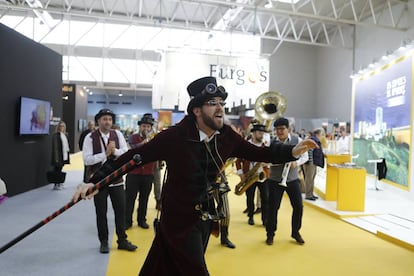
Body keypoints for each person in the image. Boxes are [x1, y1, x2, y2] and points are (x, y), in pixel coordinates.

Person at [73, 76, 317, 275]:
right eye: (213, 103)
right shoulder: (174, 137)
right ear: (197, 110)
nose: (220, 107)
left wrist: (293, 151)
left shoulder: (227, 136)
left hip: (204, 218)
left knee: (160, 267)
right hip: (177, 220)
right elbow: (133, 157)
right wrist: (92, 182)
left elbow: (258, 151)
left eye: (221, 102)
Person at [82, 108, 137, 254]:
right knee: (101, 213)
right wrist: (104, 154)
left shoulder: (117, 134)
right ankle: (104, 242)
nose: (107, 122)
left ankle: (122, 241)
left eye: (110, 119)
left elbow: (125, 153)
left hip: (116, 179)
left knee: (121, 211)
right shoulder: (90, 137)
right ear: (98, 121)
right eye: (104, 119)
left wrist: (114, 152)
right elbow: (87, 160)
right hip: (98, 182)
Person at [265, 117, 309, 246]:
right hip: (275, 179)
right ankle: (270, 234)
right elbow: (267, 159)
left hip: (292, 179)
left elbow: (305, 155)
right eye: (277, 129)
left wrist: (297, 162)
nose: (279, 132)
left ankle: (296, 232)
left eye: (282, 129)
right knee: (273, 208)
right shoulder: (271, 143)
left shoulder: (297, 140)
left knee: (298, 206)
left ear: (288, 129)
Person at [125, 113, 156, 229]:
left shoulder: (154, 138)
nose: (146, 129)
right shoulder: (133, 137)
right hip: (133, 173)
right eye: (144, 126)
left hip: (148, 173)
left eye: (148, 127)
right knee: (130, 199)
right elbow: (131, 150)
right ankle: (127, 221)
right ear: (140, 127)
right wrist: (143, 144)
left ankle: (141, 220)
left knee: (144, 199)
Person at [236, 123, 269, 226]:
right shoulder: (246, 146)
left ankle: (265, 219)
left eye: (262, 133)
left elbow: (271, 160)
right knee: (250, 197)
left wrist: (267, 162)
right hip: (249, 176)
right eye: (259, 133)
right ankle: (250, 216)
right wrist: (241, 174)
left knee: (265, 198)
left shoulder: (266, 146)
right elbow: (238, 161)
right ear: (253, 134)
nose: (262, 135)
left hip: (262, 175)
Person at [303, 128, 324, 200]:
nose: (321, 136)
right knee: (309, 179)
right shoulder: (313, 140)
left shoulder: (314, 140)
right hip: (310, 163)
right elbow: (309, 152)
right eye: (321, 134)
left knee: (311, 178)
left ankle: (311, 193)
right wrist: (311, 162)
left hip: (312, 162)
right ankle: (308, 195)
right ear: (318, 134)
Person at [51, 121, 70, 190]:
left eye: (63, 126)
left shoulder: (66, 134)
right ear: (58, 127)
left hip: (64, 154)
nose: (61, 127)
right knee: (57, 169)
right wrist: (56, 158)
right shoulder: (55, 135)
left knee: (60, 169)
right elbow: (55, 147)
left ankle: (60, 183)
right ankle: (56, 184)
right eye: (60, 126)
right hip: (58, 155)